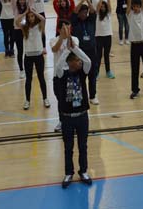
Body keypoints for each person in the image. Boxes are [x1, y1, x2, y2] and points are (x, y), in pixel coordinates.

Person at [53, 27, 93, 189]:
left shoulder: (82, 73)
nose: (77, 63)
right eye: (74, 61)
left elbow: (88, 61)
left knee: (83, 146)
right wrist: (66, 51)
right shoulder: (62, 75)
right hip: (67, 118)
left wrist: (75, 48)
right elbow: (59, 65)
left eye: (77, 61)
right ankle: (68, 172)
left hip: (82, 116)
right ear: (69, 63)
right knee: (68, 147)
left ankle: (83, 171)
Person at [15, 9, 49, 110]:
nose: (31, 18)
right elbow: (16, 21)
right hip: (28, 56)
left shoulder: (39, 26)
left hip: (39, 55)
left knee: (41, 78)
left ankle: (45, 99)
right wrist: (25, 12)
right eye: (29, 17)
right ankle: (27, 100)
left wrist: (34, 12)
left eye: (32, 16)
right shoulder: (24, 28)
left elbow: (43, 19)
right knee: (28, 79)